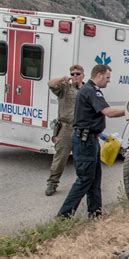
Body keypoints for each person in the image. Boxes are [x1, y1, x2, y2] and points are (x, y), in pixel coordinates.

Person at [57, 64, 125, 218]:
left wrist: (101, 135)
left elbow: (88, 118)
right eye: (107, 78)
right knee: (85, 180)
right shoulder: (90, 90)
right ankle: (63, 216)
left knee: (94, 180)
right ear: (99, 75)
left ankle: (95, 214)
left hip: (90, 139)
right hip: (84, 141)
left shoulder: (90, 90)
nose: (108, 82)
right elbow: (108, 112)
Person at [45, 65, 85, 196]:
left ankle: (86, 184)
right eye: (72, 74)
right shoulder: (65, 88)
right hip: (66, 128)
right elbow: (50, 84)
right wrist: (63, 79)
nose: (75, 76)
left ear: (83, 75)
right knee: (60, 157)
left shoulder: (87, 90)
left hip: (82, 128)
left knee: (85, 158)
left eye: (77, 74)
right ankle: (52, 183)